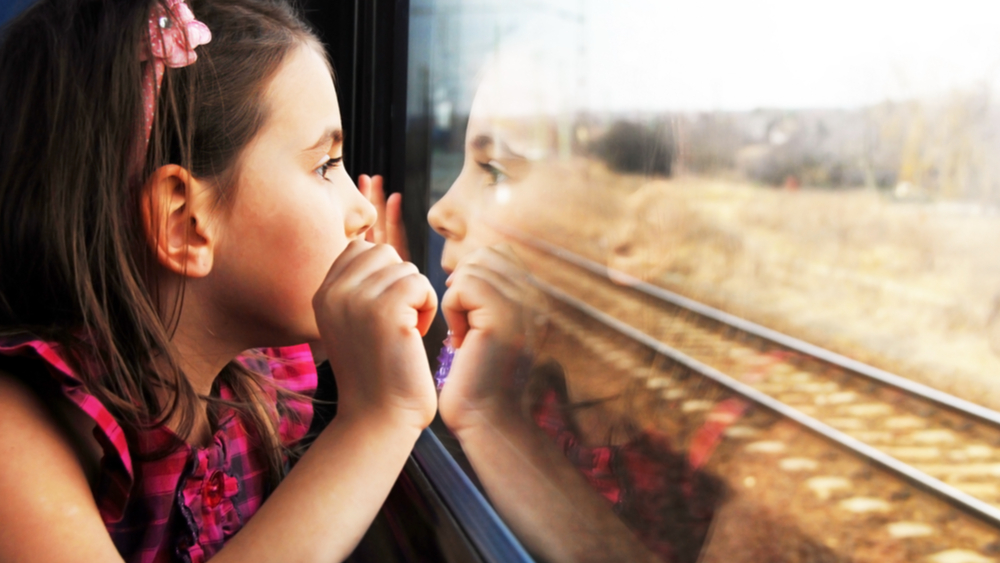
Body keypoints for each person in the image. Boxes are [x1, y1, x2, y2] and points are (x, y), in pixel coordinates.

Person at [0, 0, 510, 561]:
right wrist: (375, 419)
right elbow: (384, 394)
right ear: (185, 224)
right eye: (324, 165)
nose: (361, 211)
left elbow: (379, 349)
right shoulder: (18, 435)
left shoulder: (255, 373)